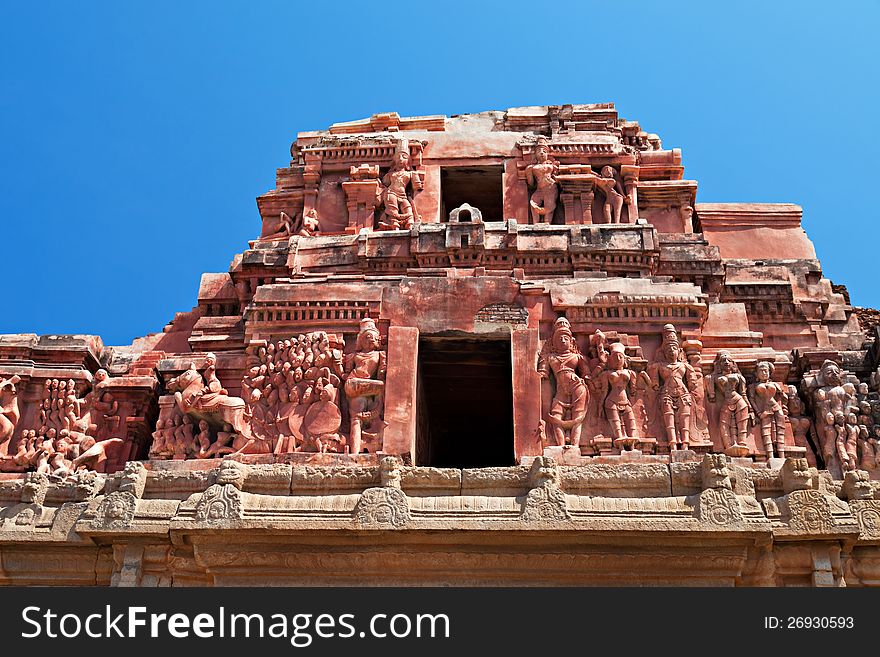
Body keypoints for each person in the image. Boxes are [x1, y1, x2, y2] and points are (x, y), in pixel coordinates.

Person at [538, 317, 590, 447]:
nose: (562, 340)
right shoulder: (549, 357)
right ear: (554, 342)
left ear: (571, 342)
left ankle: (574, 446)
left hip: (577, 387)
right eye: (559, 338)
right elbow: (542, 374)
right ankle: (561, 446)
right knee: (555, 416)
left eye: (566, 338)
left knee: (577, 417)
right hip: (560, 390)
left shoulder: (577, 357)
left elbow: (587, 374)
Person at [525, 137, 559, 224]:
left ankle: (547, 223)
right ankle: (535, 223)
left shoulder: (551, 165)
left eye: (544, 151)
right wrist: (528, 172)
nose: (542, 153)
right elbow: (531, 184)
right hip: (539, 189)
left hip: (551, 187)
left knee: (549, 205)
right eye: (539, 151)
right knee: (533, 202)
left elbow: (556, 176)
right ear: (535, 154)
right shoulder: (532, 167)